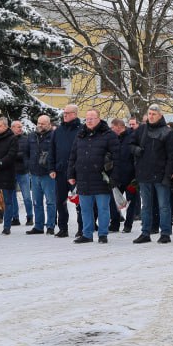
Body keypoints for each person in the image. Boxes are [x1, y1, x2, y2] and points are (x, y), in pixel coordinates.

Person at [132, 104, 173, 245]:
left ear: (160, 116)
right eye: (149, 113)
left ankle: (165, 233)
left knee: (164, 206)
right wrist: (137, 150)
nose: (151, 116)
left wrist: (168, 175)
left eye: (154, 114)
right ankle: (145, 232)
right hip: (144, 174)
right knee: (146, 206)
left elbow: (172, 156)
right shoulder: (141, 129)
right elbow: (130, 144)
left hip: (161, 174)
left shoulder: (167, 132)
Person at [67, 109, 118, 244]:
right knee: (85, 209)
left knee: (103, 208)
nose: (89, 121)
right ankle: (87, 234)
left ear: (99, 119)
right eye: (87, 118)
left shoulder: (108, 135)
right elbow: (73, 156)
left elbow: (118, 157)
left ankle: (103, 234)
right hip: (83, 177)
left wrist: (114, 176)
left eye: (92, 118)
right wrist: (71, 174)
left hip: (102, 178)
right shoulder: (81, 135)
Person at [49, 104, 82, 238]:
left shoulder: (81, 130)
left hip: (76, 171)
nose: (65, 115)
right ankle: (63, 228)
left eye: (68, 113)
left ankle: (82, 228)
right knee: (60, 201)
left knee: (79, 201)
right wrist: (51, 168)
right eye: (64, 113)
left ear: (75, 114)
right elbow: (52, 150)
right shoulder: (58, 131)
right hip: (61, 171)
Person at [24, 114, 56, 235]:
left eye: (43, 123)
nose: (40, 125)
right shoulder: (31, 136)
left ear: (49, 124)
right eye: (38, 123)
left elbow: (57, 153)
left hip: (48, 174)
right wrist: (29, 164)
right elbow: (25, 152)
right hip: (35, 173)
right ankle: (38, 226)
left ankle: (50, 225)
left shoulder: (53, 136)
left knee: (50, 202)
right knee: (36, 202)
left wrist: (52, 167)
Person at [108, 118, 137, 234]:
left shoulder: (132, 137)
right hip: (116, 175)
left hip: (131, 176)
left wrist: (136, 175)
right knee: (113, 201)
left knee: (131, 202)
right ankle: (114, 223)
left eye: (113, 127)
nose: (111, 129)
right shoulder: (112, 138)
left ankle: (128, 225)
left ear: (119, 126)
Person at [10, 120, 34, 227]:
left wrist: (15, 155)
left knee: (27, 196)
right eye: (17, 127)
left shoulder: (26, 139)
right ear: (12, 128)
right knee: (12, 196)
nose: (20, 128)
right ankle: (15, 218)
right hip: (10, 171)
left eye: (21, 126)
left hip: (23, 171)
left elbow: (27, 154)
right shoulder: (8, 140)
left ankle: (30, 217)